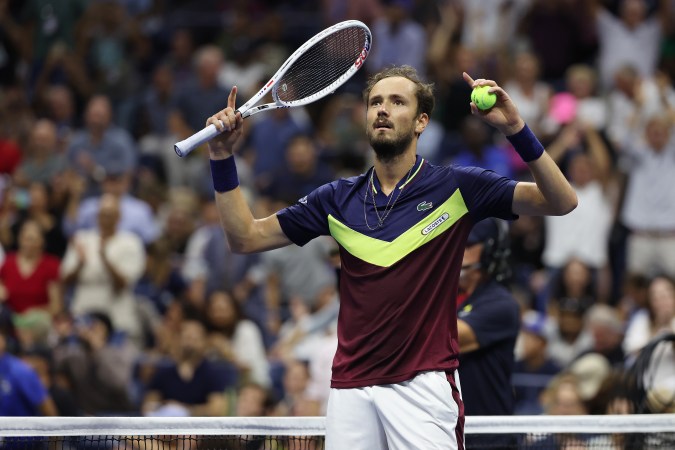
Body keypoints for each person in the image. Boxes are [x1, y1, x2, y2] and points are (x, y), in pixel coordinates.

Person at [205, 65, 577, 449]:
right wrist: (221, 157)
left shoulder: (458, 188)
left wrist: (515, 127)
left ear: (421, 122)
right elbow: (245, 238)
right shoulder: (336, 198)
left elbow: (561, 200)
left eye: (397, 101)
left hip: (422, 386)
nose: (382, 109)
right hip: (350, 389)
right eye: (375, 102)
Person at [456, 218, 520, 449]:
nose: (456, 248)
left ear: (491, 249)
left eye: (467, 243)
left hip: (489, 437)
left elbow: (448, 338)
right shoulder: (443, 296)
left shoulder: (501, 304)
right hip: (449, 432)